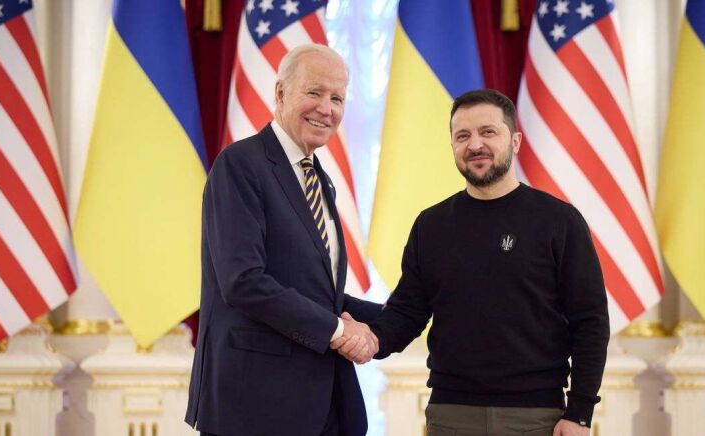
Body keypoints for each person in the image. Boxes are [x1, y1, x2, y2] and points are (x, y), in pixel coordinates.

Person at [368, 89, 610, 436]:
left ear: (515, 141)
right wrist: (367, 338)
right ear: (452, 145)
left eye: (488, 132)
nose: (475, 144)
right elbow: (407, 313)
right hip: (450, 415)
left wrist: (580, 413)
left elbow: (591, 322)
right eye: (462, 136)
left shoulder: (559, 221)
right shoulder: (431, 225)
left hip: (536, 417)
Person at [185, 44, 382, 436]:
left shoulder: (320, 180)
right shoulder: (240, 165)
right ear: (280, 93)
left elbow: (316, 293)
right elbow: (244, 281)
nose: (326, 109)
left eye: (337, 98)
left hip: (320, 403)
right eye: (314, 92)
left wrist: (400, 315)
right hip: (254, 407)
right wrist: (340, 332)